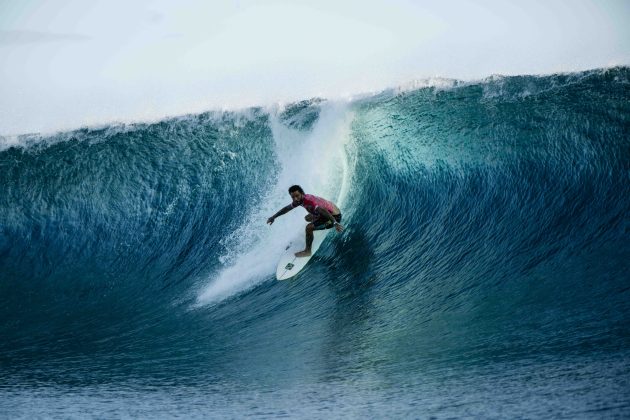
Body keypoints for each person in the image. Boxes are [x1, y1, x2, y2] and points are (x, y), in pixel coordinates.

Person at [267, 185, 344, 257]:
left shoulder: (309, 201)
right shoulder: (299, 200)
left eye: (297, 196)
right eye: (293, 197)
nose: (295, 199)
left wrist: (335, 223)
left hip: (335, 217)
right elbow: (286, 209)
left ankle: (308, 251)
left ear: (302, 193)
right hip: (329, 210)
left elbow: (323, 210)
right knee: (307, 218)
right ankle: (317, 223)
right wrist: (273, 217)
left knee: (309, 227)